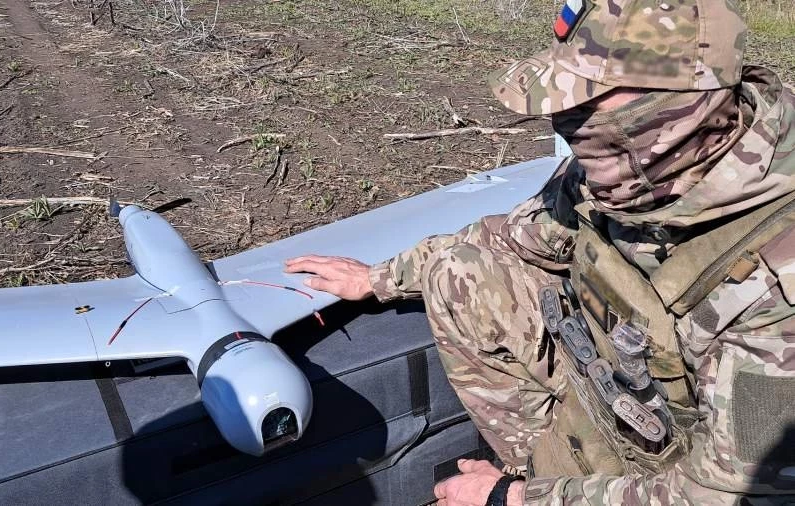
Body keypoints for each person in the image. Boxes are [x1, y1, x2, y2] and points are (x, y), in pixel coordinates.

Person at [286, 0, 795, 504]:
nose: (565, 121)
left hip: (696, 478)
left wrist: (510, 499)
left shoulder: (775, 285)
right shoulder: (638, 166)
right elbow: (514, 236)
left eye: (589, 100)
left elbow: (723, 496)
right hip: (623, 396)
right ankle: (543, 467)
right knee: (459, 272)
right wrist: (378, 278)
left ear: (675, 101)